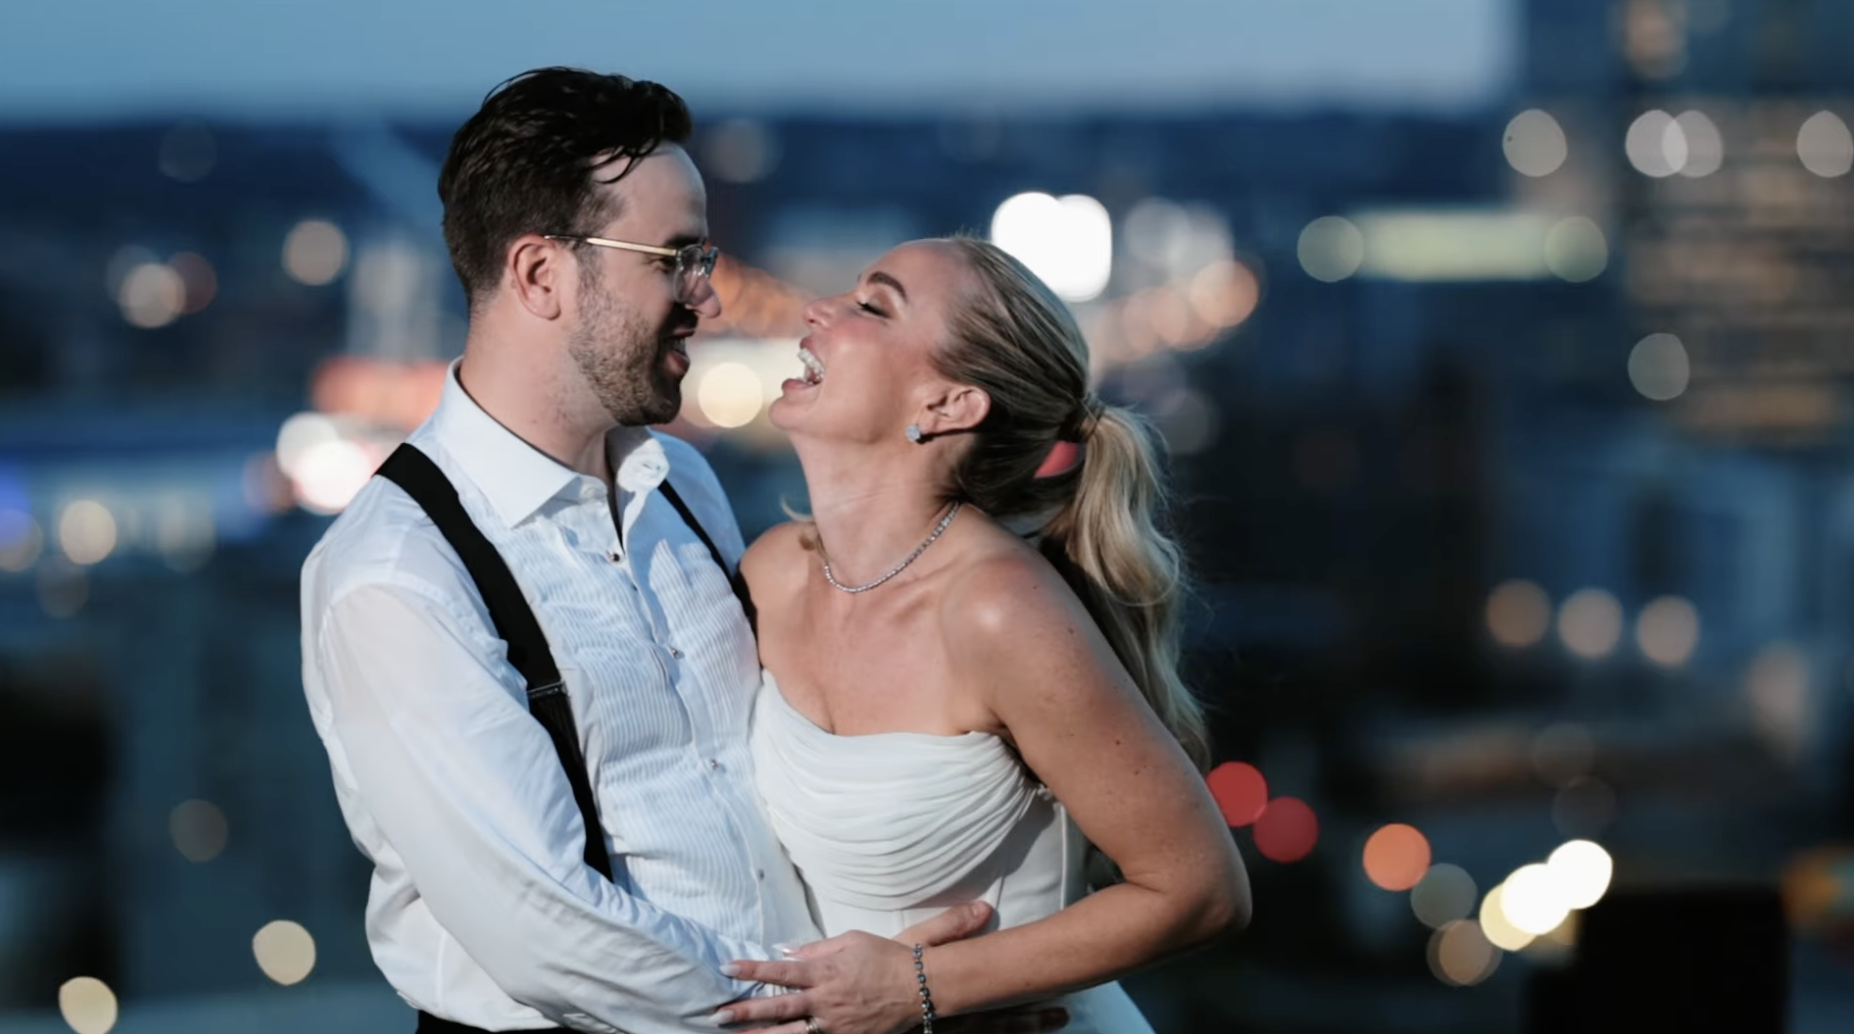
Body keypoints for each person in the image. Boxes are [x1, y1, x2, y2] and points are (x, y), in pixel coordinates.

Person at [299, 68, 994, 1034]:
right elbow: (545, 926)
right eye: (672, 258)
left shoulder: (684, 486)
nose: (707, 299)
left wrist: (924, 981)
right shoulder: (395, 573)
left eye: (703, 256)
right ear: (542, 275)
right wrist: (833, 1013)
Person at [712, 237, 1253, 1034]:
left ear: (947, 406)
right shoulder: (770, 575)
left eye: (872, 306)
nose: (816, 311)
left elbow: (1203, 889)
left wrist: (921, 986)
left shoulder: (998, 609)